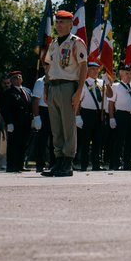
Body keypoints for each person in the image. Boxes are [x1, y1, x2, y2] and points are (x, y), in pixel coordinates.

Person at [41, 10, 88, 178]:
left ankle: (68, 162)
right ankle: (58, 160)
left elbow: (83, 66)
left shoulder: (76, 43)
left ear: (70, 24)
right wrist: (46, 87)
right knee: (56, 127)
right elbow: (48, 66)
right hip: (53, 86)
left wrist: (79, 91)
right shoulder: (53, 44)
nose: (59, 25)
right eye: (57, 22)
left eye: (62, 22)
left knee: (68, 126)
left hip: (68, 86)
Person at [104, 63, 131, 170]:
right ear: (121, 74)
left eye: (130, 73)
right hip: (121, 115)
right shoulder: (115, 86)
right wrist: (111, 117)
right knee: (119, 140)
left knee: (130, 140)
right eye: (127, 73)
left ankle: (127, 163)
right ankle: (115, 163)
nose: (129, 75)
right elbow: (111, 103)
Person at [0, 69, 33, 173]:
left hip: (26, 122)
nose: (17, 79)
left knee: (23, 144)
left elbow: (30, 105)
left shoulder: (27, 91)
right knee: (14, 144)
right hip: (15, 123)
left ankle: (20, 164)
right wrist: (9, 122)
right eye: (14, 78)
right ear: (11, 80)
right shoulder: (8, 92)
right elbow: (5, 109)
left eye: (19, 77)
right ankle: (12, 165)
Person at [75, 62, 104, 171]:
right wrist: (77, 116)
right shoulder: (83, 83)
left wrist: (109, 82)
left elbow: (109, 96)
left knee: (98, 141)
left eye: (97, 69)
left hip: (99, 114)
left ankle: (96, 165)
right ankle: (84, 165)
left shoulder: (102, 83)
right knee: (85, 142)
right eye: (92, 69)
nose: (95, 71)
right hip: (87, 114)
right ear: (87, 70)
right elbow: (77, 101)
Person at [30, 71, 52, 173]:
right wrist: (37, 117)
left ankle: (53, 163)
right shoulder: (40, 81)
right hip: (43, 111)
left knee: (54, 140)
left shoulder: (56, 80)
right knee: (42, 140)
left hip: (54, 111)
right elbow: (35, 100)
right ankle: (39, 164)